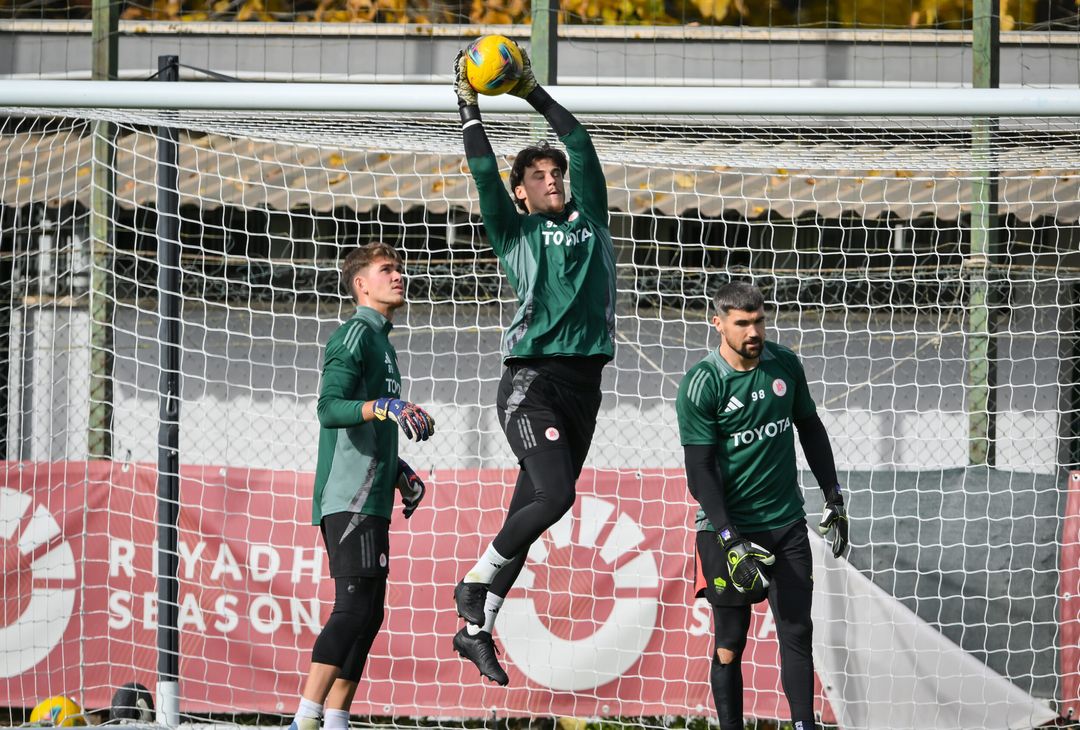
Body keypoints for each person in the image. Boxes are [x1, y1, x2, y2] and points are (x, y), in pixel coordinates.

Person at [450, 41, 617, 686]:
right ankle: (473, 585)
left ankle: (475, 630)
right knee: (555, 495)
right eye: (540, 177)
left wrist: (531, 92)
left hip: (584, 387)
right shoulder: (514, 231)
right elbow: (485, 173)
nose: (554, 180)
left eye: (557, 175)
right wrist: (469, 106)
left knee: (537, 507)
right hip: (531, 382)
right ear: (522, 194)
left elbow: (583, 147)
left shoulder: (592, 219)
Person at [675, 281, 848, 730]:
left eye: (759, 321)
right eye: (742, 323)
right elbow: (700, 472)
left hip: (785, 523)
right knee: (730, 644)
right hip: (725, 530)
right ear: (719, 324)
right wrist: (731, 538)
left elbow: (810, 428)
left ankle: (803, 726)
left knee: (797, 632)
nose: (754, 331)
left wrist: (833, 494)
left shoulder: (784, 364)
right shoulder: (703, 383)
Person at [288, 242, 436, 730]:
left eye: (401, 267)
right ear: (361, 284)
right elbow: (330, 409)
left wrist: (401, 471)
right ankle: (303, 720)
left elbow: (372, 426)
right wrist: (385, 407)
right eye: (387, 269)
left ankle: (336, 720)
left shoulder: (383, 343)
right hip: (347, 498)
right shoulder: (354, 334)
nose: (399, 275)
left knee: (370, 615)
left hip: (372, 497)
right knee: (352, 610)